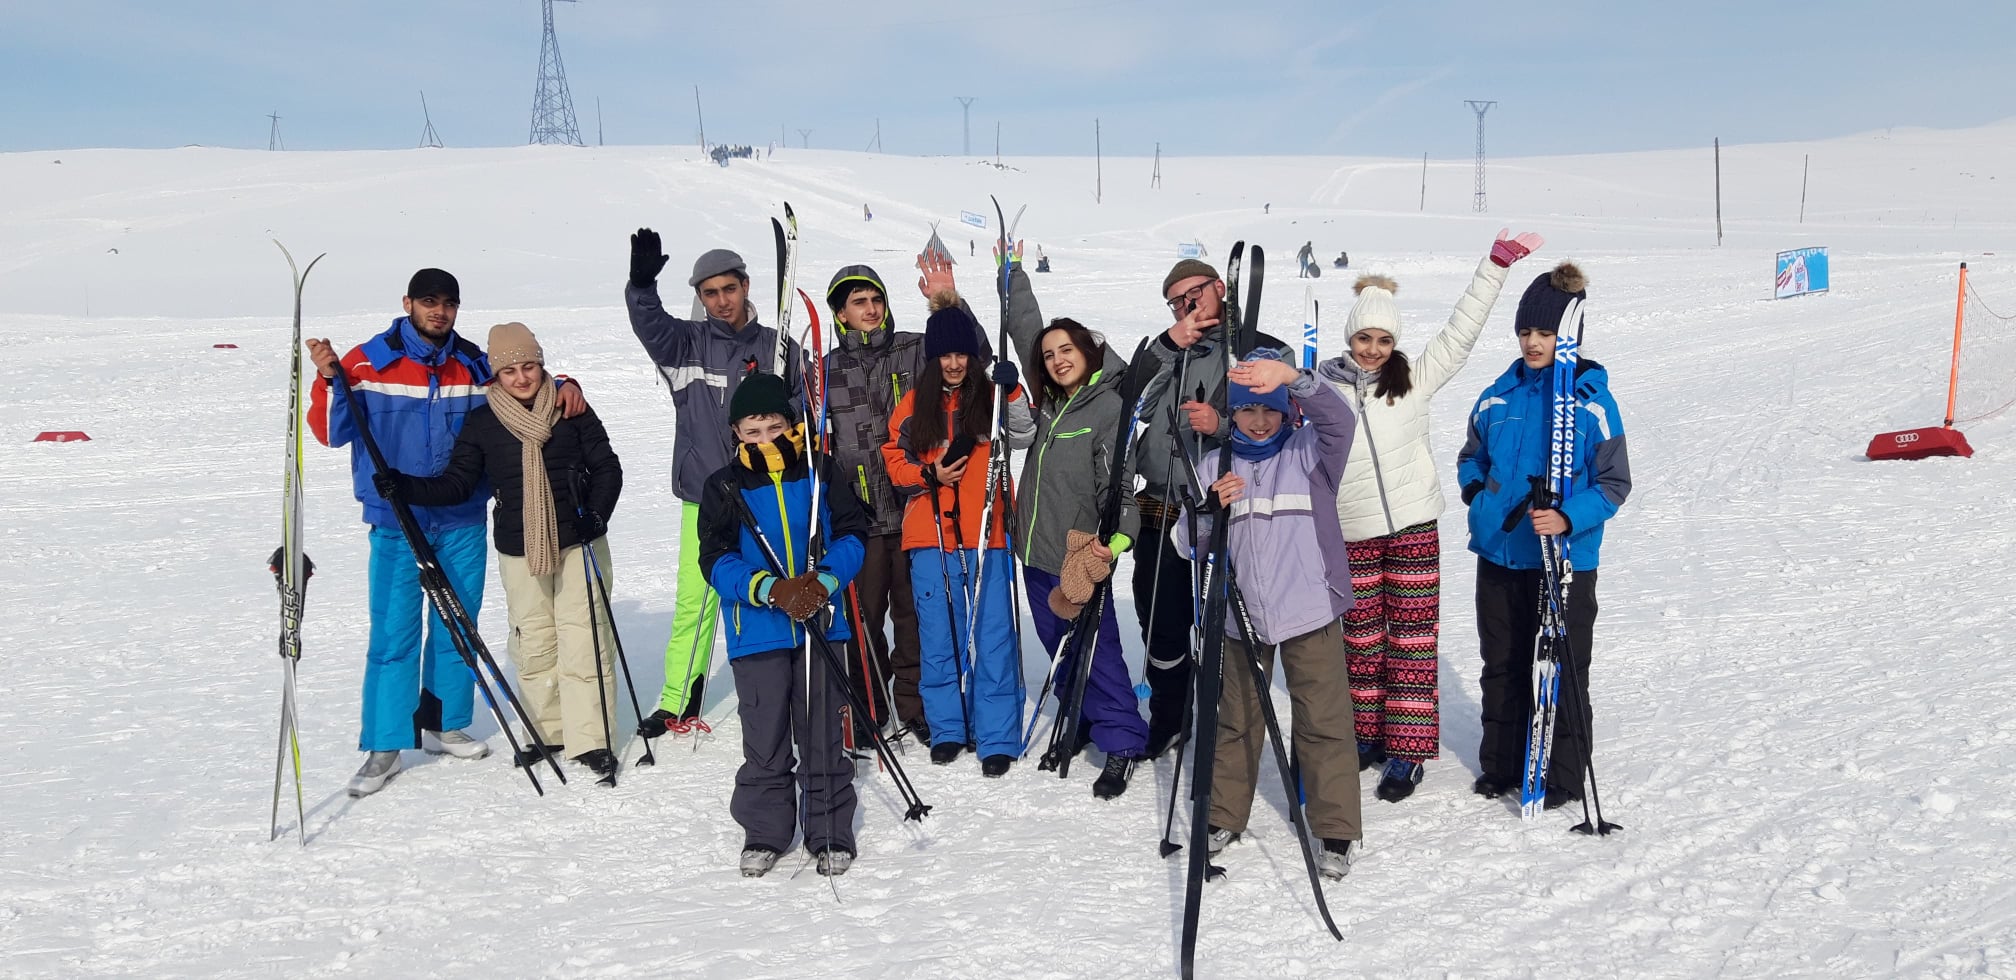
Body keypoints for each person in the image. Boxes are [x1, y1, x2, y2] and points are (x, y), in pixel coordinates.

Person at [307, 269, 587, 797]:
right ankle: (385, 744)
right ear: (408, 303)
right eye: (429, 302)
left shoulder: (473, 364)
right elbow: (328, 432)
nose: (439, 311)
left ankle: (444, 721)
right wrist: (327, 380)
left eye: (449, 303)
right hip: (396, 521)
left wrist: (567, 383)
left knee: (459, 626)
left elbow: (522, 385)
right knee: (394, 636)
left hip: (460, 517)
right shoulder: (366, 362)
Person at [1315, 229, 1543, 803]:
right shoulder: (1320, 390)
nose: (1372, 349)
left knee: (1412, 642)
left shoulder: (1412, 379)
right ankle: (1366, 736)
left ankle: (1408, 752)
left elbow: (1461, 334)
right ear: (1349, 337)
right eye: (1363, 337)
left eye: (1383, 339)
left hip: (1414, 527)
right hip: (1351, 532)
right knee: (1360, 641)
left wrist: (1494, 267)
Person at [383, 322, 625, 782]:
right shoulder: (483, 422)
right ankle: (548, 731)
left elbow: (608, 468)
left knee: (584, 637)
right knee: (533, 642)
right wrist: (408, 486)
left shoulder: (572, 409)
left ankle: (592, 739)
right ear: (496, 374)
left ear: (541, 364)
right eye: (510, 369)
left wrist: (597, 515)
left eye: (529, 366)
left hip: (579, 542)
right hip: (519, 548)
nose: (521, 377)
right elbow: (458, 483)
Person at [1180, 351, 1361, 880]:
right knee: (1235, 721)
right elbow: (1186, 544)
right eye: (1247, 412)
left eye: (1270, 411)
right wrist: (1210, 511)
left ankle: (1336, 827)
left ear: (1287, 413)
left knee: (1323, 721)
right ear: (1230, 415)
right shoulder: (1215, 465)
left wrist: (1295, 380)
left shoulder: (1311, 455)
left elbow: (1340, 420)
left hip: (1310, 608)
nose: (1259, 422)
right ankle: (1224, 815)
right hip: (1242, 615)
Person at [1457, 261, 1631, 811]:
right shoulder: (1496, 395)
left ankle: (1561, 773)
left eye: (1546, 333)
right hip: (1501, 554)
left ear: (1567, 334)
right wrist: (1477, 496)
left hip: (1565, 560)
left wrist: (1567, 517)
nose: (1533, 342)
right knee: (1502, 662)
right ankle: (1501, 764)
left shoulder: (1590, 401)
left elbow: (1613, 483)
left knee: (1562, 666)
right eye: (1526, 332)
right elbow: (1470, 457)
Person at [625, 230, 805, 737]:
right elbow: (649, 324)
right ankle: (678, 698)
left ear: (746, 286)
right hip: (706, 492)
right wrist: (641, 286)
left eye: (729, 289)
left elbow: (805, 411)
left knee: (775, 586)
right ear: (700, 298)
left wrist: (785, 409)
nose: (721, 301)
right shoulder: (685, 344)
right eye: (710, 293)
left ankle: (790, 683)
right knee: (698, 596)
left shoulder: (778, 347)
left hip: (771, 489)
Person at [696, 373, 869, 877]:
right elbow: (715, 559)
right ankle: (766, 831)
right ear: (737, 434)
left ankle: (830, 829)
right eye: (753, 431)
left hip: (822, 626)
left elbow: (853, 535)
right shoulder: (723, 486)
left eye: (774, 427)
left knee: (821, 735)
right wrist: (770, 589)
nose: (765, 439)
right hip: (759, 631)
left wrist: (824, 582)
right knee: (765, 738)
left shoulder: (821, 473)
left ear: (791, 426)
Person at [999, 248, 1149, 797]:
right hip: (1033, 553)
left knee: (1097, 648)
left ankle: (1124, 738)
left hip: (1078, 557)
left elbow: (1124, 496)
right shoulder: (1046, 404)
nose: (1058, 358)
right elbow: (1025, 330)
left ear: (1088, 350)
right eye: (1051, 353)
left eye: (1068, 349)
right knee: (1060, 647)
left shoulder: (1108, 408)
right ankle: (1082, 716)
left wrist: (1110, 547)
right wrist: (1012, 276)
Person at [1132, 259, 1291, 757]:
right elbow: (1127, 399)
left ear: (1220, 288)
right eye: (1176, 301)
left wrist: (1222, 423)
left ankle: (1230, 729)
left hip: (1226, 507)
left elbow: (1281, 422)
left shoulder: (1260, 347)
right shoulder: (1167, 348)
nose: (1186, 306)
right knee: (1160, 621)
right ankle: (1171, 714)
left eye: (1193, 294)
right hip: (1162, 505)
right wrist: (1167, 344)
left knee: (1231, 627)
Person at [882, 301, 1034, 775]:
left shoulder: (989, 397)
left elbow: (1026, 434)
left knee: (992, 638)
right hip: (931, 537)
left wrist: (1011, 391)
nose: (953, 364)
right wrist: (929, 474)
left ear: (972, 356)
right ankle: (948, 728)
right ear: (932, 358)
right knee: (940, 636)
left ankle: (996, 735)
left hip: (988, 533)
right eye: (944, 355)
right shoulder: (912, 405)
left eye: (961, 355)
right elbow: (894, 459)